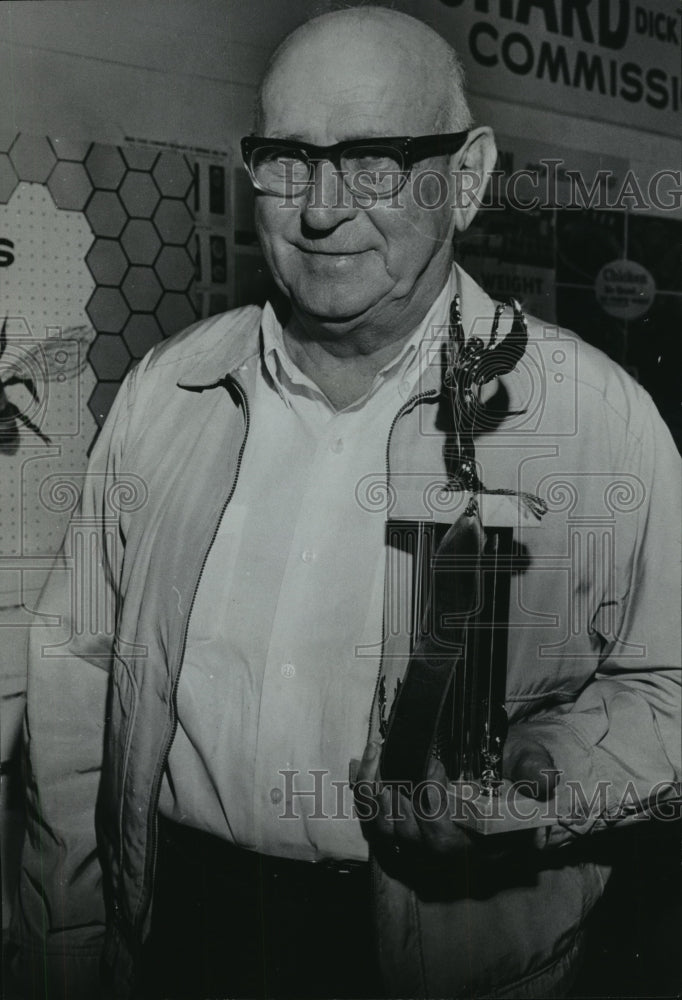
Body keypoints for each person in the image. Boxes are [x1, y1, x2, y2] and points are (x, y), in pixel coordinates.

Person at [9, 7, 681, 1000]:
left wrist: (540, 772)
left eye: (373, 162)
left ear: (465, 177)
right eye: (287, 159)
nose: (321, 209)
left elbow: (671, 686)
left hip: (448, 958)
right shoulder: (170, 393)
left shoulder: (595, 420)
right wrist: (61, 946)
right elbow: (76, 682)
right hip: (179, 930)